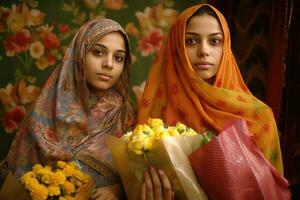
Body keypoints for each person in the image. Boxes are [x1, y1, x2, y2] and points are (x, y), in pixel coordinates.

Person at [137, 3, 284, 199]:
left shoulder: (257, 117)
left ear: (226, 47)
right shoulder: (157, 111)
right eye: (191, 41)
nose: (204, 51)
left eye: (214, 41)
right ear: (176, 47)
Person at [0, 18, 135, 199]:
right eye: (98, 52)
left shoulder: (124, 115)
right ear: (79, 55)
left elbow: (135, 175)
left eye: (118, 58)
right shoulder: (46, 109)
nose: (109, 64)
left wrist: (118, 190)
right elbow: (19, 177)